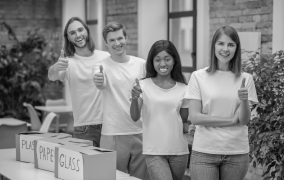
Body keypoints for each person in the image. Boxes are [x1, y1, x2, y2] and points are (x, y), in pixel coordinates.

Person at [184, 26, 258, 180]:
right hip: (205, 151)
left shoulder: (246, 79)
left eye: (231, 44)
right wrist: (231, 120)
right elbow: (195, 117)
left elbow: (243, 120)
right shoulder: (198, 77)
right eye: (221, 43)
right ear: (214, 46)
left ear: (236, 48)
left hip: (236, 153)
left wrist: (244, 100)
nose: (225, 49)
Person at [93, 22, 149, 180]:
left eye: (120, 38)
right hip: (113, 133)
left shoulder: (141, 64)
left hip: (141, 131)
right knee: (111, 177)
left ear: (126, 38)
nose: (117, 43)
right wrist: (98, 81)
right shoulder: (101, 66)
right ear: (106, 43)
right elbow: (100, 81)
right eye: (111, 40)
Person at [130, 40, 189, 180]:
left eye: (167, 59)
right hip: (154, 152)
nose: (162, 64)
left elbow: (184, 122)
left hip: (179, 151)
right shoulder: (142, 86)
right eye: (158, 60)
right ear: (152, 62)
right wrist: (134, 98)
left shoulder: (184, 88)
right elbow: (134, 116)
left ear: (174, 60)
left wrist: (192, 125)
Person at [48, 17, 109, 147]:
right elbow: (52, 76)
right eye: (72, 33)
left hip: (109, 124)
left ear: (87, 31)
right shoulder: (68, 62)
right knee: (88, 167)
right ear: (68, 38)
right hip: (84, 127)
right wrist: (55, 67)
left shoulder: (105, 57)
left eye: (80, 30)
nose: (78, 35)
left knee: (110, 166)